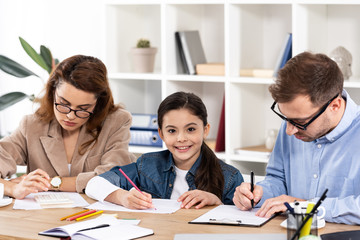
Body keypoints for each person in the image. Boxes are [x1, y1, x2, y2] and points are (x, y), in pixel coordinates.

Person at [233, 51, 360, 225]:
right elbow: (278, 179)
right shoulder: (294, 124)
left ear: (335, 106)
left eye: (300, 122)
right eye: (285, 118)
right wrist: (259, 193)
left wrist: (307, 207)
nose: (289, 131)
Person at [0, 55, 135, 199]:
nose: (70, 116)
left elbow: (113, 176)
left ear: (98, 103)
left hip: (97, 215)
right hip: (43, 217)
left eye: (83, 108)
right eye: (63, 104)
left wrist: (52, 183)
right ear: (53, 93)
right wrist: (11, 188)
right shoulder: (32, 125)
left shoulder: (116, 121)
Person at [86, 91, 244, 209]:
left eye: (190, 129)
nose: (181, 138)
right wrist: (123, 197)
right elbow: (94, 184)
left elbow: (241, 222)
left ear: (206, 129)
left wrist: (216, 202)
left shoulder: (230, 177)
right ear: (161, 133)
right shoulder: (146, 165)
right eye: (172, 131)